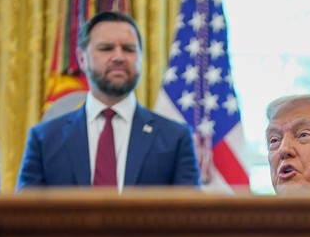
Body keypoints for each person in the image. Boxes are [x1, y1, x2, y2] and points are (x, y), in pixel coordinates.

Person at [16, 11, 200, 191]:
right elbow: (26, 217)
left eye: (128, 49)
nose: (119, 57)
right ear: (82, 58)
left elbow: (190, 217)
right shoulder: (44, 139)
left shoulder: (175, 138)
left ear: (140, 58)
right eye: (106, 48)